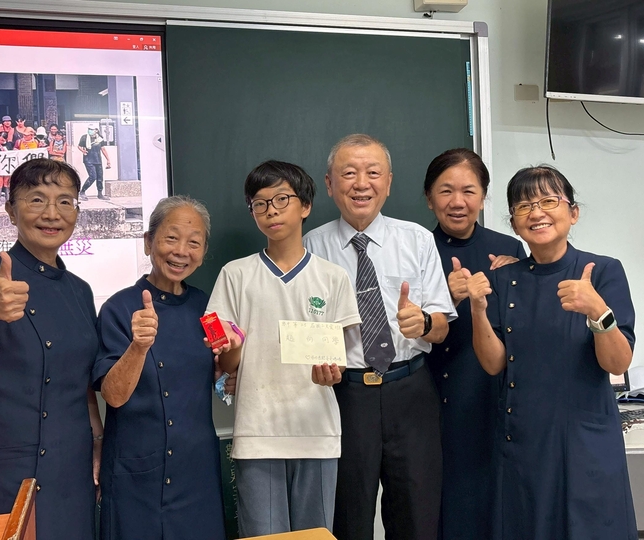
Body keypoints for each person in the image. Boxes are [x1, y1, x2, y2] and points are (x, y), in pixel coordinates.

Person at [465, 165, 637, 540]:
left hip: (585, 441)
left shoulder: (602, 271)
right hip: (524, 441)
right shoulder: (503, 279)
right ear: (514, 224)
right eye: (524, 206)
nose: (536, 212)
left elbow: (617, 362)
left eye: (548, 201)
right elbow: (493, 363)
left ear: (573, 213)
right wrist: (477, 309)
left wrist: (598, 311)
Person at [0, 158, 103, 540]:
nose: (52, 213)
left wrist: (97, 441)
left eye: (65, 201)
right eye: (36, 199)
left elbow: (81, 381)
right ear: (11, 210)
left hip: (69, 471)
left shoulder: (80, 291)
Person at [303, 134, 456, 540]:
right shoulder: (310, 247)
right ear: (330, 184)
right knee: (348, 517)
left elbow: (442, 326)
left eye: (373, 173)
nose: (361, 184)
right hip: (345, 395)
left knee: (417, 515)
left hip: (411, 390)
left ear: (388, 182)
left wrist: (424, 323)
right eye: (348, 174)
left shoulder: (417, 240)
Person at [208, 160, 361, 537]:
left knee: (315, 535)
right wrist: (233, 347)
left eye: (281, 199)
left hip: (316, 432)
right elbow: (228, 362)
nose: (271, 211)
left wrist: (332, 373)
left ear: (305, 205)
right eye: (259, 204)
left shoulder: (332, 277)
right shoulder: (235, 274)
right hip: (257, 433)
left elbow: (339, 357)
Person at [93, 195, 226, 540]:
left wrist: (231, 362)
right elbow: (114, 396)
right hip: (136, 476)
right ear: (148, 242)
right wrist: (138, 346)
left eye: (193, 242)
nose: (181, 251)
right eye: (171, 238)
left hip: (196, 473)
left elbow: (223, 372)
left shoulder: (208, 308)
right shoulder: (119, 308)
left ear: (203, 251)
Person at [422, 148, 526, 540]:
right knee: (436, 507)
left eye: (468, 191)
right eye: (445, 191)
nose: (457, 202)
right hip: (428, 400)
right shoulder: (416, 248)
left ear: (483, 197)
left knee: (491, 504)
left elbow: (520, 326)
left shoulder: (509, 250)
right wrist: (445, 297)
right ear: (429, 198)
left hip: (489, 396)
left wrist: (520, 277)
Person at [78, 124, 111, 201]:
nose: (90, 130)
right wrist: (82, 151)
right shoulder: (84, 137)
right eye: (89, 129)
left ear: (96, 130)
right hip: (88, 160)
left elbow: (103, 149)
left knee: (100, 177)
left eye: (92, 129)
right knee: (93, 177)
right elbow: (79, 146)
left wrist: (108, 160)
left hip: (98, 160)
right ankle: (82, 191)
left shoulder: (100, 139)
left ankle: (100, 194)